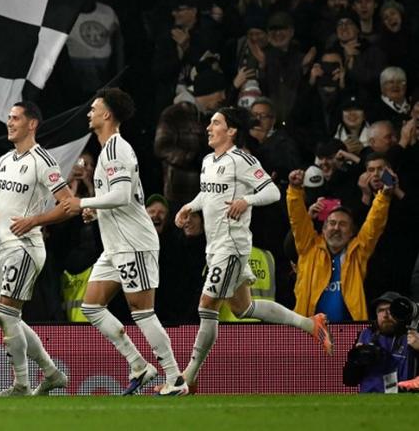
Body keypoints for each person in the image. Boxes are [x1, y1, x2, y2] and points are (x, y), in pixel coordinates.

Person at [174, 106, 333, 392]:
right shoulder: (209, 160)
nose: (209, 128)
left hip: (232, 246)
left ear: (231, 130)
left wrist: (246, 200)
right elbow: (208, 193)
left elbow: (271, 191)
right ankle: (311, 324)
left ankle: (189, 376)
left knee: (206, 305)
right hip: (215, 246)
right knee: (243, 308)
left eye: (215, 123)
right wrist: (189, 206)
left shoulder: (242, 159)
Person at [62, 88, 187, 396]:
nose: (89, 113)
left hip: (134, 242)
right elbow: (119, 198)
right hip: (115, 245)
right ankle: (139, 365)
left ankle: (174, 377)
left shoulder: (118, 149)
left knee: (142, 311)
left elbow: (119, 195)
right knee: (91, 307)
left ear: (107, 114)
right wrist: (95, 209)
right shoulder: (107, 151)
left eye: (94, 108)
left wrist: (82, 202)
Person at [0, 101, 72, 396]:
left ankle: (21, 384)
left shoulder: (43, 161)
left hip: (26, 247)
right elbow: (4, 206)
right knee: (10, 316)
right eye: (8, 118)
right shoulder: (5, 160)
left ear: (32, 124)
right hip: (3, 246)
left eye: (16, 118)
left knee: (5, 315)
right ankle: (52, 373)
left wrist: (35, 221)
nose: (10, 123)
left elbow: (68, 204)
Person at [286, 167, 391, 322]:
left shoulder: (358, 252)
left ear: (351, 232)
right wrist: (295, 190)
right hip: (309, 332)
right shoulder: (308, 247)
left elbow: (374, 224)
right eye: (332, 223)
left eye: (343, 224)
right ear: (323, 228)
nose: (336, 228)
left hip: (349, 332)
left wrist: (384, 195)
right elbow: (297, 220)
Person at [342, 291, 419, 393]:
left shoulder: (413, 336)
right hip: (370, 400)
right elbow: (349, 380)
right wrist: (356, 362)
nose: (385, 315)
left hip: (403, 398)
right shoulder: (366, 335)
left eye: (390, 310)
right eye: (381, 310)